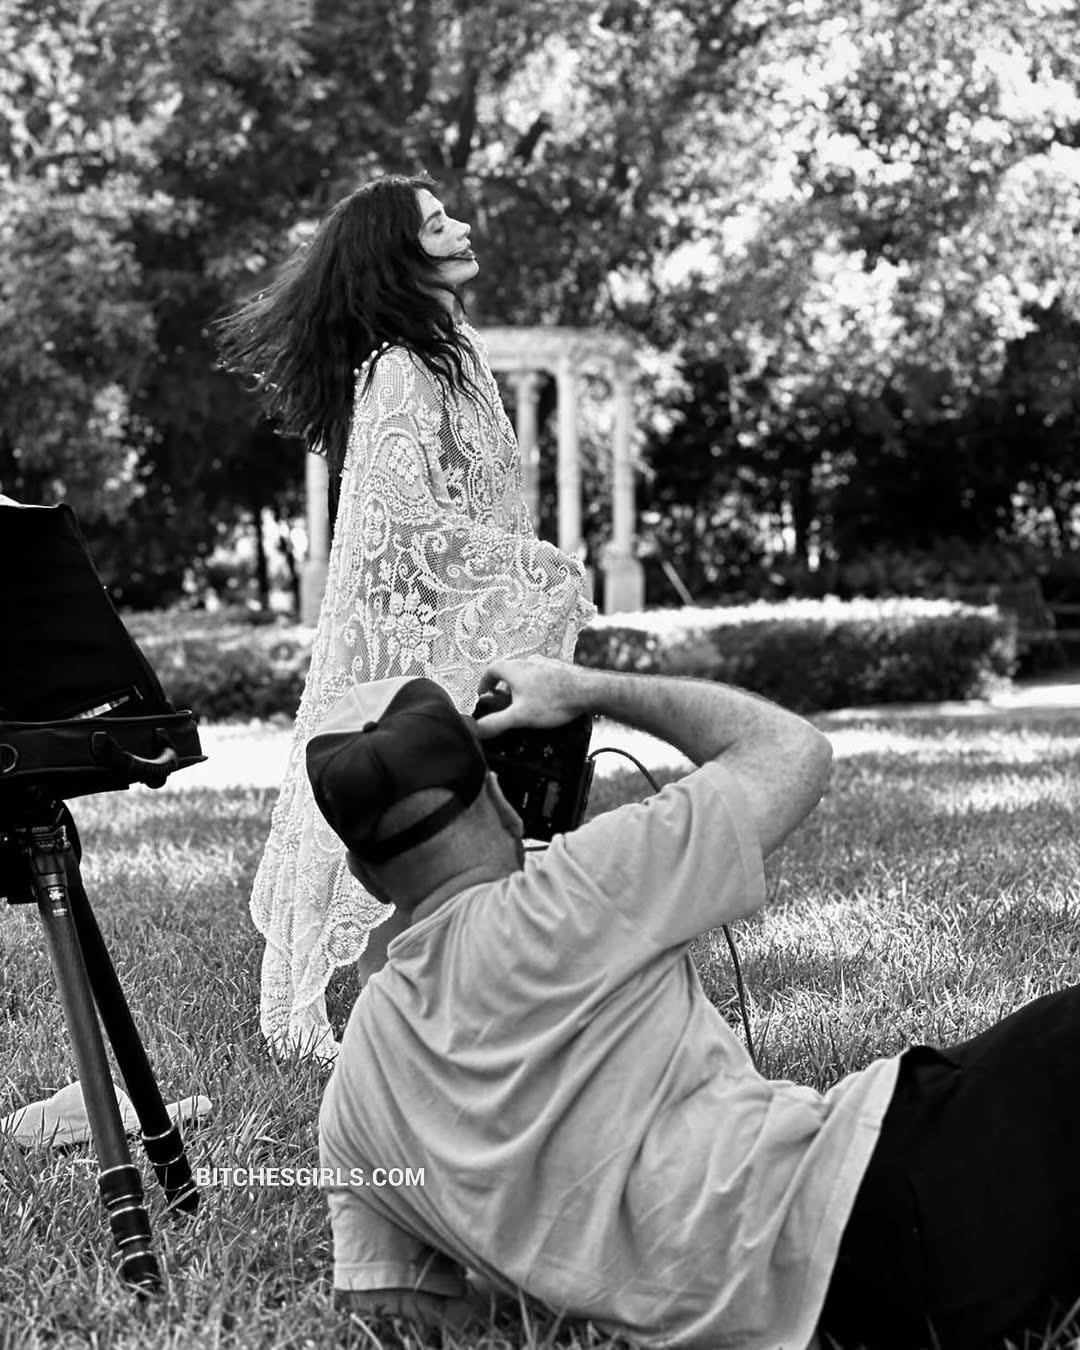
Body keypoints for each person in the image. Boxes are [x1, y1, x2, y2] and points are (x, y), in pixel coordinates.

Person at [308, 658, 1080, 1350]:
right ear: (504, 807)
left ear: (364, 874)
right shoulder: (579, 888)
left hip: (833, 1314)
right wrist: (586, 689)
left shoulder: (352, 1100)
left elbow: (397, 1309)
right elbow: (793, 752)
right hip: (871, 1205)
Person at [214, 176, 594, 1059]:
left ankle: (454, 1017)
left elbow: (482, 504)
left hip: (467, 631)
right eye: (436, 224)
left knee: (488, 820)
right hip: (415, 644)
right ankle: (402, 1034)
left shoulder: (455, 351)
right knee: (420, 828)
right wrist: (529, 569)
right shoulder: (397, 373)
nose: (460, 228)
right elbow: (402, 526)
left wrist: (519, 572)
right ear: (397, 257)